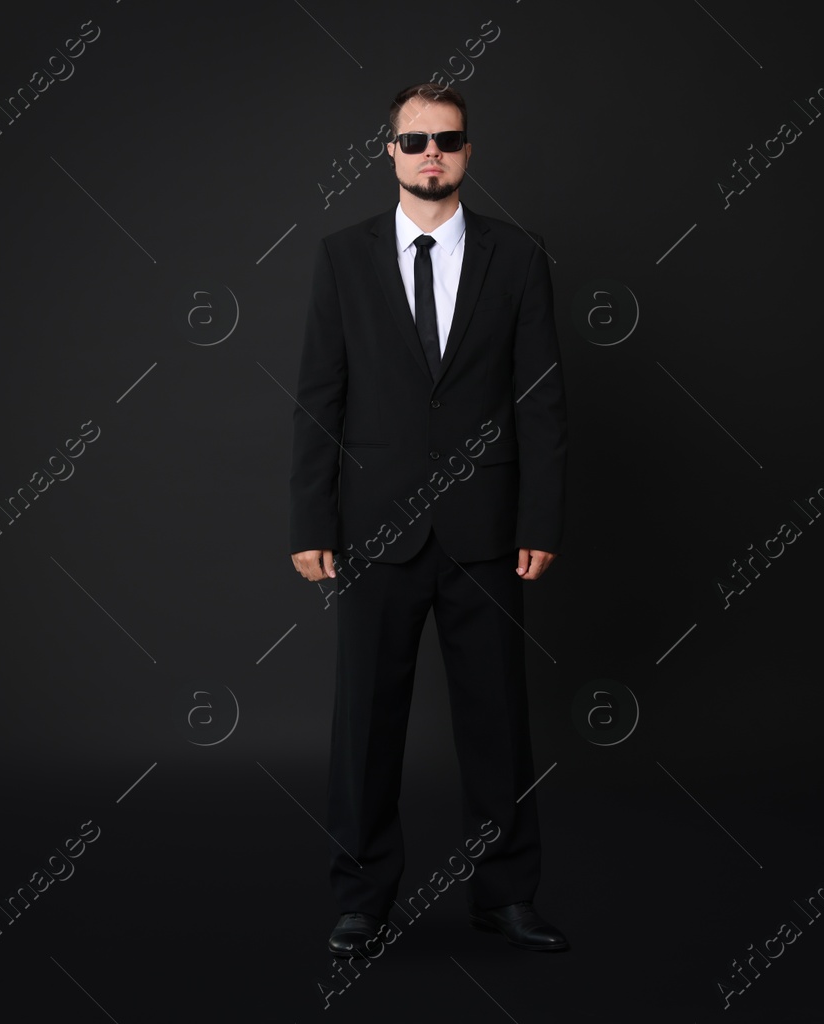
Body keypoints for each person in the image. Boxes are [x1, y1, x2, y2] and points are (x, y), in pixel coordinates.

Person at [288, 82, 569, 957]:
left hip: (489, 531)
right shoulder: (342, 258)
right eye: (414, 141)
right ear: (391, 153)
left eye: (445, 140)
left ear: (468, 152)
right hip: (375, 531)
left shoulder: (517, 257)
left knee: (497, 724)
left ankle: (506, 897)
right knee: (365, 723)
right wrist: (312, 521)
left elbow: (541, 403)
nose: (430, 154)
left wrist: (540, 516)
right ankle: (362, 898)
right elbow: (318, 401)